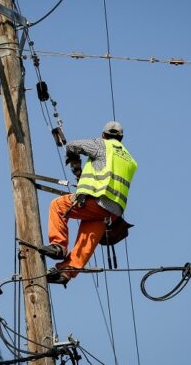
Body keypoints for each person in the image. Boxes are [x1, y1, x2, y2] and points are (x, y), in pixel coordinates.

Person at [40, 121, 138, 285]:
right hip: (113, 212)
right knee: (88, 238)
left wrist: (74, 159)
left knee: (57, 205)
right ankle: (66, 272)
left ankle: (58, 246)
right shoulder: (130, 159)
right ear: (121, 138)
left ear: (104, 135)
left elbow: (73, 146)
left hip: (97, 201)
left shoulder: (102, 145)